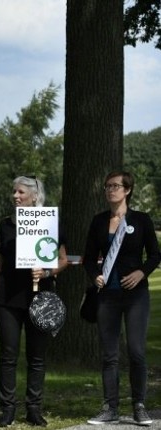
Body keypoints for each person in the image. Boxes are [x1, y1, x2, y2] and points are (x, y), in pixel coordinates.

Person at [0, 176, 68, 427]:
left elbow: (62, 260)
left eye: (20, 192)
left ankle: (33, 409)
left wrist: (47, 272)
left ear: (34, 196)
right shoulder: (6, 225)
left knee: (37, 357)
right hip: (7, 299)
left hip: (40, 299)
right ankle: (7, 409)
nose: (15, 196)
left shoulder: (50, 222)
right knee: (8, 356)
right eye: (14, 192)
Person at [83, 171, 160, 426]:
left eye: (115, 186)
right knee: (109, 355)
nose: (110, 190)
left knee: (136, 351)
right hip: (107, 296)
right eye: (107, 186)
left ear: (127, 190)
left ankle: (139, 406)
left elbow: (155, 255)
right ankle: (110, 408)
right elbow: (88, 257)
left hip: (136, 296)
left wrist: (141, 272)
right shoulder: (98, 221)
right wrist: (95, 276)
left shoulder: (141, 220)